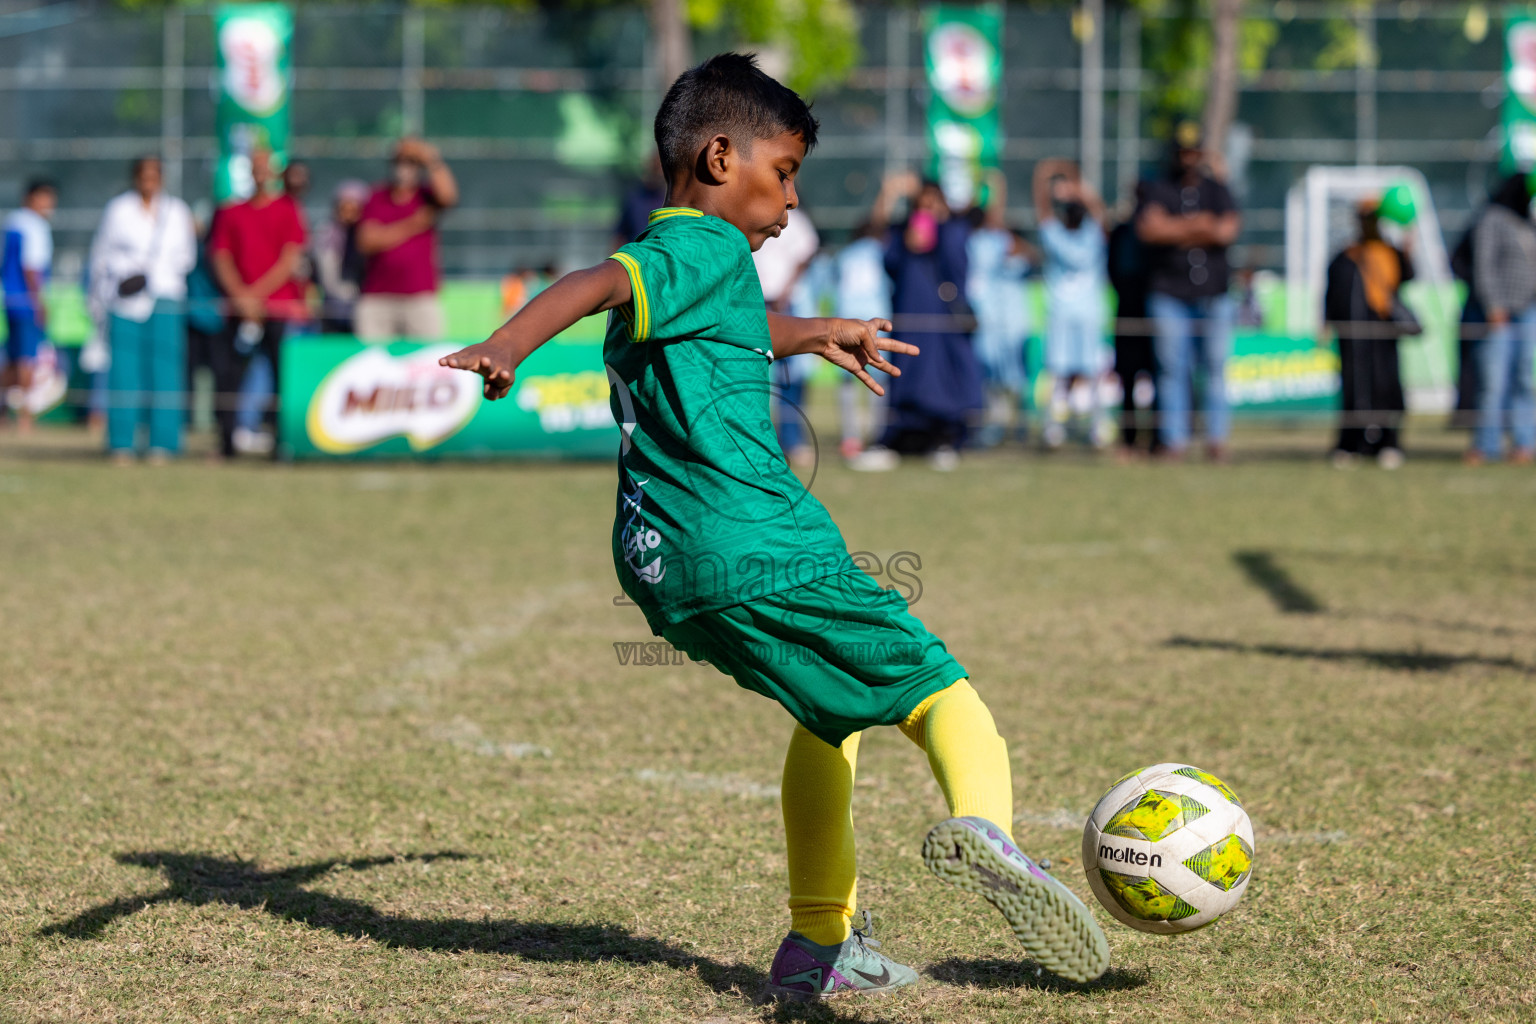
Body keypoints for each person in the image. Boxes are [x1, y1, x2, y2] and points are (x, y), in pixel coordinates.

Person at [438, 53, 1110, 1000]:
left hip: (664, 565)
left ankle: (817, 949)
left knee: (829, 718)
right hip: (756, 541)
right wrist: (510, 343)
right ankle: (990, 837)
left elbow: (735, 326)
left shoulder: (703, 271)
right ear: (720, 158)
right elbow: (599, 281)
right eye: (784, 171)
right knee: (941, 692)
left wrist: (819, 330)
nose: (791, 199)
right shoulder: (697, 247)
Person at [850, 172, 984, 471]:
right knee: (906, 382)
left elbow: (959, 264)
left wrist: (941, 223)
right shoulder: (900, 237)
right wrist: (890, 194)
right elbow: (880, 238)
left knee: (942, 384)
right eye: (920, 206)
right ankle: (896, 441)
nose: (927, 212)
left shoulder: (952, 233)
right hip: (908, 322)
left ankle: (944, 439)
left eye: (933, 204)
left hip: (943, 329)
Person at [1136, 121, 1241, 461]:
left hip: (1214, 294)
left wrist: (1176, 229)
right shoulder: (1158, 187)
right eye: (1183, 151)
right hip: (1170, 293)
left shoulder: (1216, 189)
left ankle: (1216, 440)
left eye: (1194, 151)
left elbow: (1226, 231)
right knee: (1171, 369)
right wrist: (1200, 225)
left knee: (1213, 368)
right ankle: (1174, 441)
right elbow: (1150, 230)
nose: (1188, 157)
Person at [88, 155, 197, 462]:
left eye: (154, 175)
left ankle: (164, 442)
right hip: (124, 298)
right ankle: (122, 441)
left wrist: (155, 272)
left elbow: (186, 257)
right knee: (124, 371)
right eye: (143, 175)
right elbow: (101, 255)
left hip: (166, 294)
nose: (148, 181)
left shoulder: (177, 211)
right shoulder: (118, 209)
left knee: (166, 370)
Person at [208, 148, 307, 459]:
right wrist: (241, 296)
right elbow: (220, 256)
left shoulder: (288, 209)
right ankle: (226, 442)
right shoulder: (230, 211)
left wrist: (257, 296)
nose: (262, 174)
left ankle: (282, 442)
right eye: (257, 168)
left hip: (277, 308)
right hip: (238, 309)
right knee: (229, 376)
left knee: (281, 378)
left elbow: (290, 258)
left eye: (267, 168)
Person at [1323, 196, 1417, 469]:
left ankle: (1388, 443)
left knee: (1387, 388)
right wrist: (1326, 322)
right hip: (1353, 338)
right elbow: (1332, 294)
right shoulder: (1346, 255)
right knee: (1354, 389)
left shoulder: (1390, 253)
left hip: (1384, 338)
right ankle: (1351, 444)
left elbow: (1407, 278)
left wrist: (1409, 246)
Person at [1034, 158, 1110, 449]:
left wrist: (1044, 178)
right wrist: (1077, 184)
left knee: (1062, 373)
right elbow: (1099, 211)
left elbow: (1043, 212)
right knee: (1083, 373)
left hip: (1065, 312)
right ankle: (1092, 426)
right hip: (1084, 312)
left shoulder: (1057, 235)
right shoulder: (1093, 235)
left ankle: (1057, 427)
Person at [354, 138, 459, 341]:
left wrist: (430, 158)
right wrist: (414, 224)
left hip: (419, 297)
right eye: (400, 161)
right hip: (378, 297)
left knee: (426, 361)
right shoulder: (377, 196)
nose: (404, 168)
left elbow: (449, 196)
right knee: (371, 363)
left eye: (411, 162)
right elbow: (366, 242)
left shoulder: (426, 195)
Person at [1466, 172, 1536, 465]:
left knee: (1526, 379)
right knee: (1493, 382)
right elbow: (1483, 264)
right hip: (1499, 314)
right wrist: (1493, 305)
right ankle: (1486, 445)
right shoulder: (1492, 218)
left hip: (1528, 310)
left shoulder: (1529, 220)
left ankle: (1524, 443)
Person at [966, 171, 1032, 448]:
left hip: (1000, 322)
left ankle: (1021, 426)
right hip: (979, 321)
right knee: (986, 378)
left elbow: (1018, 245)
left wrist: (997, 189)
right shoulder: (967, 241)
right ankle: (992, 426)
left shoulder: (995, 241)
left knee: (1013, 378)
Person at [753, 205, 820, 466]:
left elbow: (806, 253)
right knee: (755, 379)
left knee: (791, 377)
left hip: (785, 304)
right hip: (754, 304)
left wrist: (787, 290)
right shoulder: (749, 214)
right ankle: (760, 442)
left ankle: (792, 441)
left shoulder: (797, 219)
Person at [1, 179, 57, 434]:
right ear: (31, 198)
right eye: (44, 198)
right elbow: (31, 267)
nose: (49, 205)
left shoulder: (13, 222)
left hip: (10, 300)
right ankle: (24, 417)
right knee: (27, 360)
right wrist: (39, 302)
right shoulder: (35, 226)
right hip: (25, 300)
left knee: (13, 361)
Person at [835, 218, 893, 457]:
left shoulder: (845, 255)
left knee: (848, 383)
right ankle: (878, 436)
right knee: (879, 382)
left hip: (846, 322)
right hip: (875, 324)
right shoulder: (882, 252)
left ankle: (850, 438)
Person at [1107, 182, 1157, 459]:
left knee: (1159, 375)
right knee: (1127, 378)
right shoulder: (1122, 232)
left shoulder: (1155, 235)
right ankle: (1128, 438)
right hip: (1126, 307)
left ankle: (1158, 438)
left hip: (1152, 308)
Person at [315, 180, 370, 334]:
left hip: (364, 308)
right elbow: (328, 278)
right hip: (333, 309)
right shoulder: (326, 235)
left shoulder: (368, 235)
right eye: (344, 207)